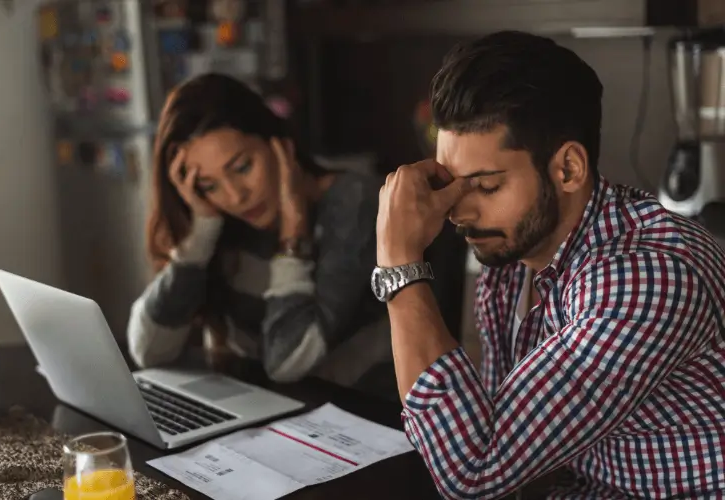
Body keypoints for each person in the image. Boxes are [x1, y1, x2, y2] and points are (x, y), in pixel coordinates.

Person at [375, 31, 725, 499]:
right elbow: (502, 446)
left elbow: (475, 469)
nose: (460, 212)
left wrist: (400, 267)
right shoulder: (508, 262)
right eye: (452, 184)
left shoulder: (644, 278)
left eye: (486, 185)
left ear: (568, 169)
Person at [127, 73, 390, 389]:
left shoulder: (353, 202)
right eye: (209, 185)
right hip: (255, 409)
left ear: (277, 141)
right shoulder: (221, 219)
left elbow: (286, 362)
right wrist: (200, 235)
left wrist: (293, 235)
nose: (235, 197)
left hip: (352, 416)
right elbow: (148, 351)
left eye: (242, 167)